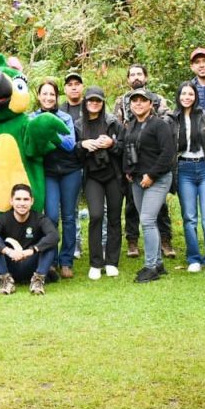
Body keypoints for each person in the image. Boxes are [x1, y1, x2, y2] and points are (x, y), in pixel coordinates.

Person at [113, 63, 174, 259]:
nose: (136, 77)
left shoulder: (157, 103)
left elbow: (167, 145)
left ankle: (161, 247)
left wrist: (152, 175)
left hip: (155, 169)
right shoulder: (121, 103)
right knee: (133, 208)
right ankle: (135, 242)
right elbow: (119, 132)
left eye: (140, 74)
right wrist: (127, 170)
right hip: (135, 168)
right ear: (128, 79)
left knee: (155, 212)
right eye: (132, 74)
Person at [121, 89, 176, 283]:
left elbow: (168, 153)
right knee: (147, 220)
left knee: (147, 220)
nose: (138, 104)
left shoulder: (159, 125)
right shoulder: (131, 125)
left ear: (150, 104)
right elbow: (128, 149)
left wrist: (151, 175)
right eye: (134, 101)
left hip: (157, 179)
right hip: (136, 180)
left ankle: (150, 266)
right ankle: (158, 264)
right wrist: (128, 170)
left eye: (142, 101)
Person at [32, 79, 82, 277]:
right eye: (44, 94)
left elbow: (70, 143)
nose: (48, 98)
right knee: (51, 216)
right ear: (38, 96)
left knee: (69, 216)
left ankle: (66, 260)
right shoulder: (32, 118)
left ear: (56, 97)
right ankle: (50, 259)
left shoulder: (65, 118)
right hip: (48, 172)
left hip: (70, 170)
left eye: (52, 94)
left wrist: (49, 130)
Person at [171, 81, 205, 274]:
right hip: (184, 169)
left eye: (190, 94)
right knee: (189, 217)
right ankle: (193, 258)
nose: (186, 97)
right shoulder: (172, 119)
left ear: (196, 96)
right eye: (183, 94)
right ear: (178, 96)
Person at [76, 86, 122, 280]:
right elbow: (73, 153)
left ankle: (111, 261)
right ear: (85, 103)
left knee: (114, 217)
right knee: (95, 215)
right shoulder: (78, 125)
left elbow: (124, 148)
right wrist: (82, 145)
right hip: (92, 176)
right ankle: (96, 262)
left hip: (113, 175)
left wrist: (111, 145)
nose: (94, 103)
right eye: (90, 100)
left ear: (103, 103)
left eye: (98, 101)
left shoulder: (112, 122)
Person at [0, 184, 59, 295]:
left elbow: (54, 236)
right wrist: (9, 252)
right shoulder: (3, 218)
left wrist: (31, 251)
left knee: (49, 243)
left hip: (31, 264)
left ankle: (38, 281)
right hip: (10, 264)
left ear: (32, 201)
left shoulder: (39, 218)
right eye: (18, 199)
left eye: (26, 199)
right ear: (11, 201)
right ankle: (6, 281)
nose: (22, 203)